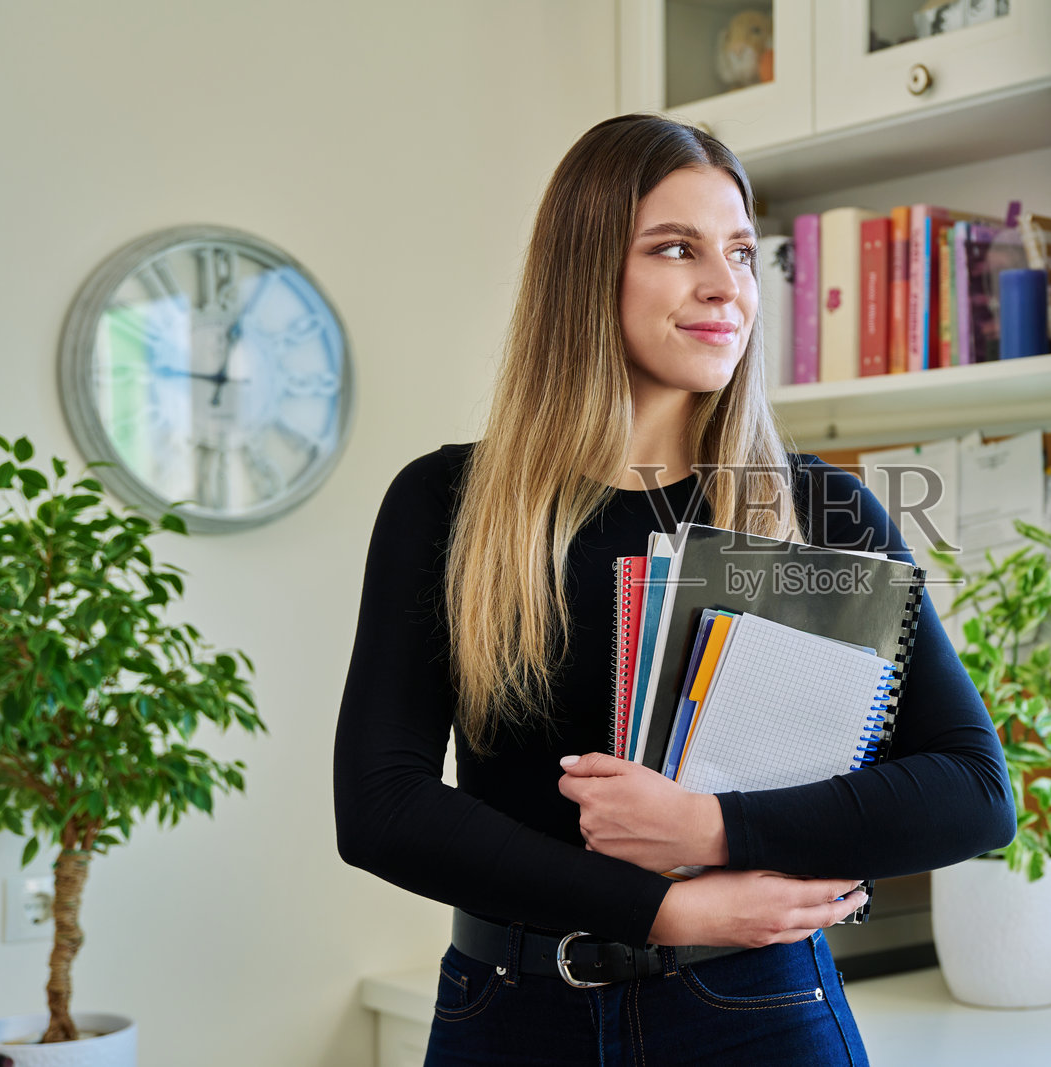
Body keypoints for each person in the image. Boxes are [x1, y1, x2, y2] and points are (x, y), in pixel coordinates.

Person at [333, 112, 1016, 1066]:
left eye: (740, 252)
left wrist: (711, 827)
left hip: (759, 1011)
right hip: (512, 1018)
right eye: (674, 247)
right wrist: (666, 904)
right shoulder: (447, 503)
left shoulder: (820, 509)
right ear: (585, 273)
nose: (724, 287)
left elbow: (974, 791)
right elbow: (382, 807)